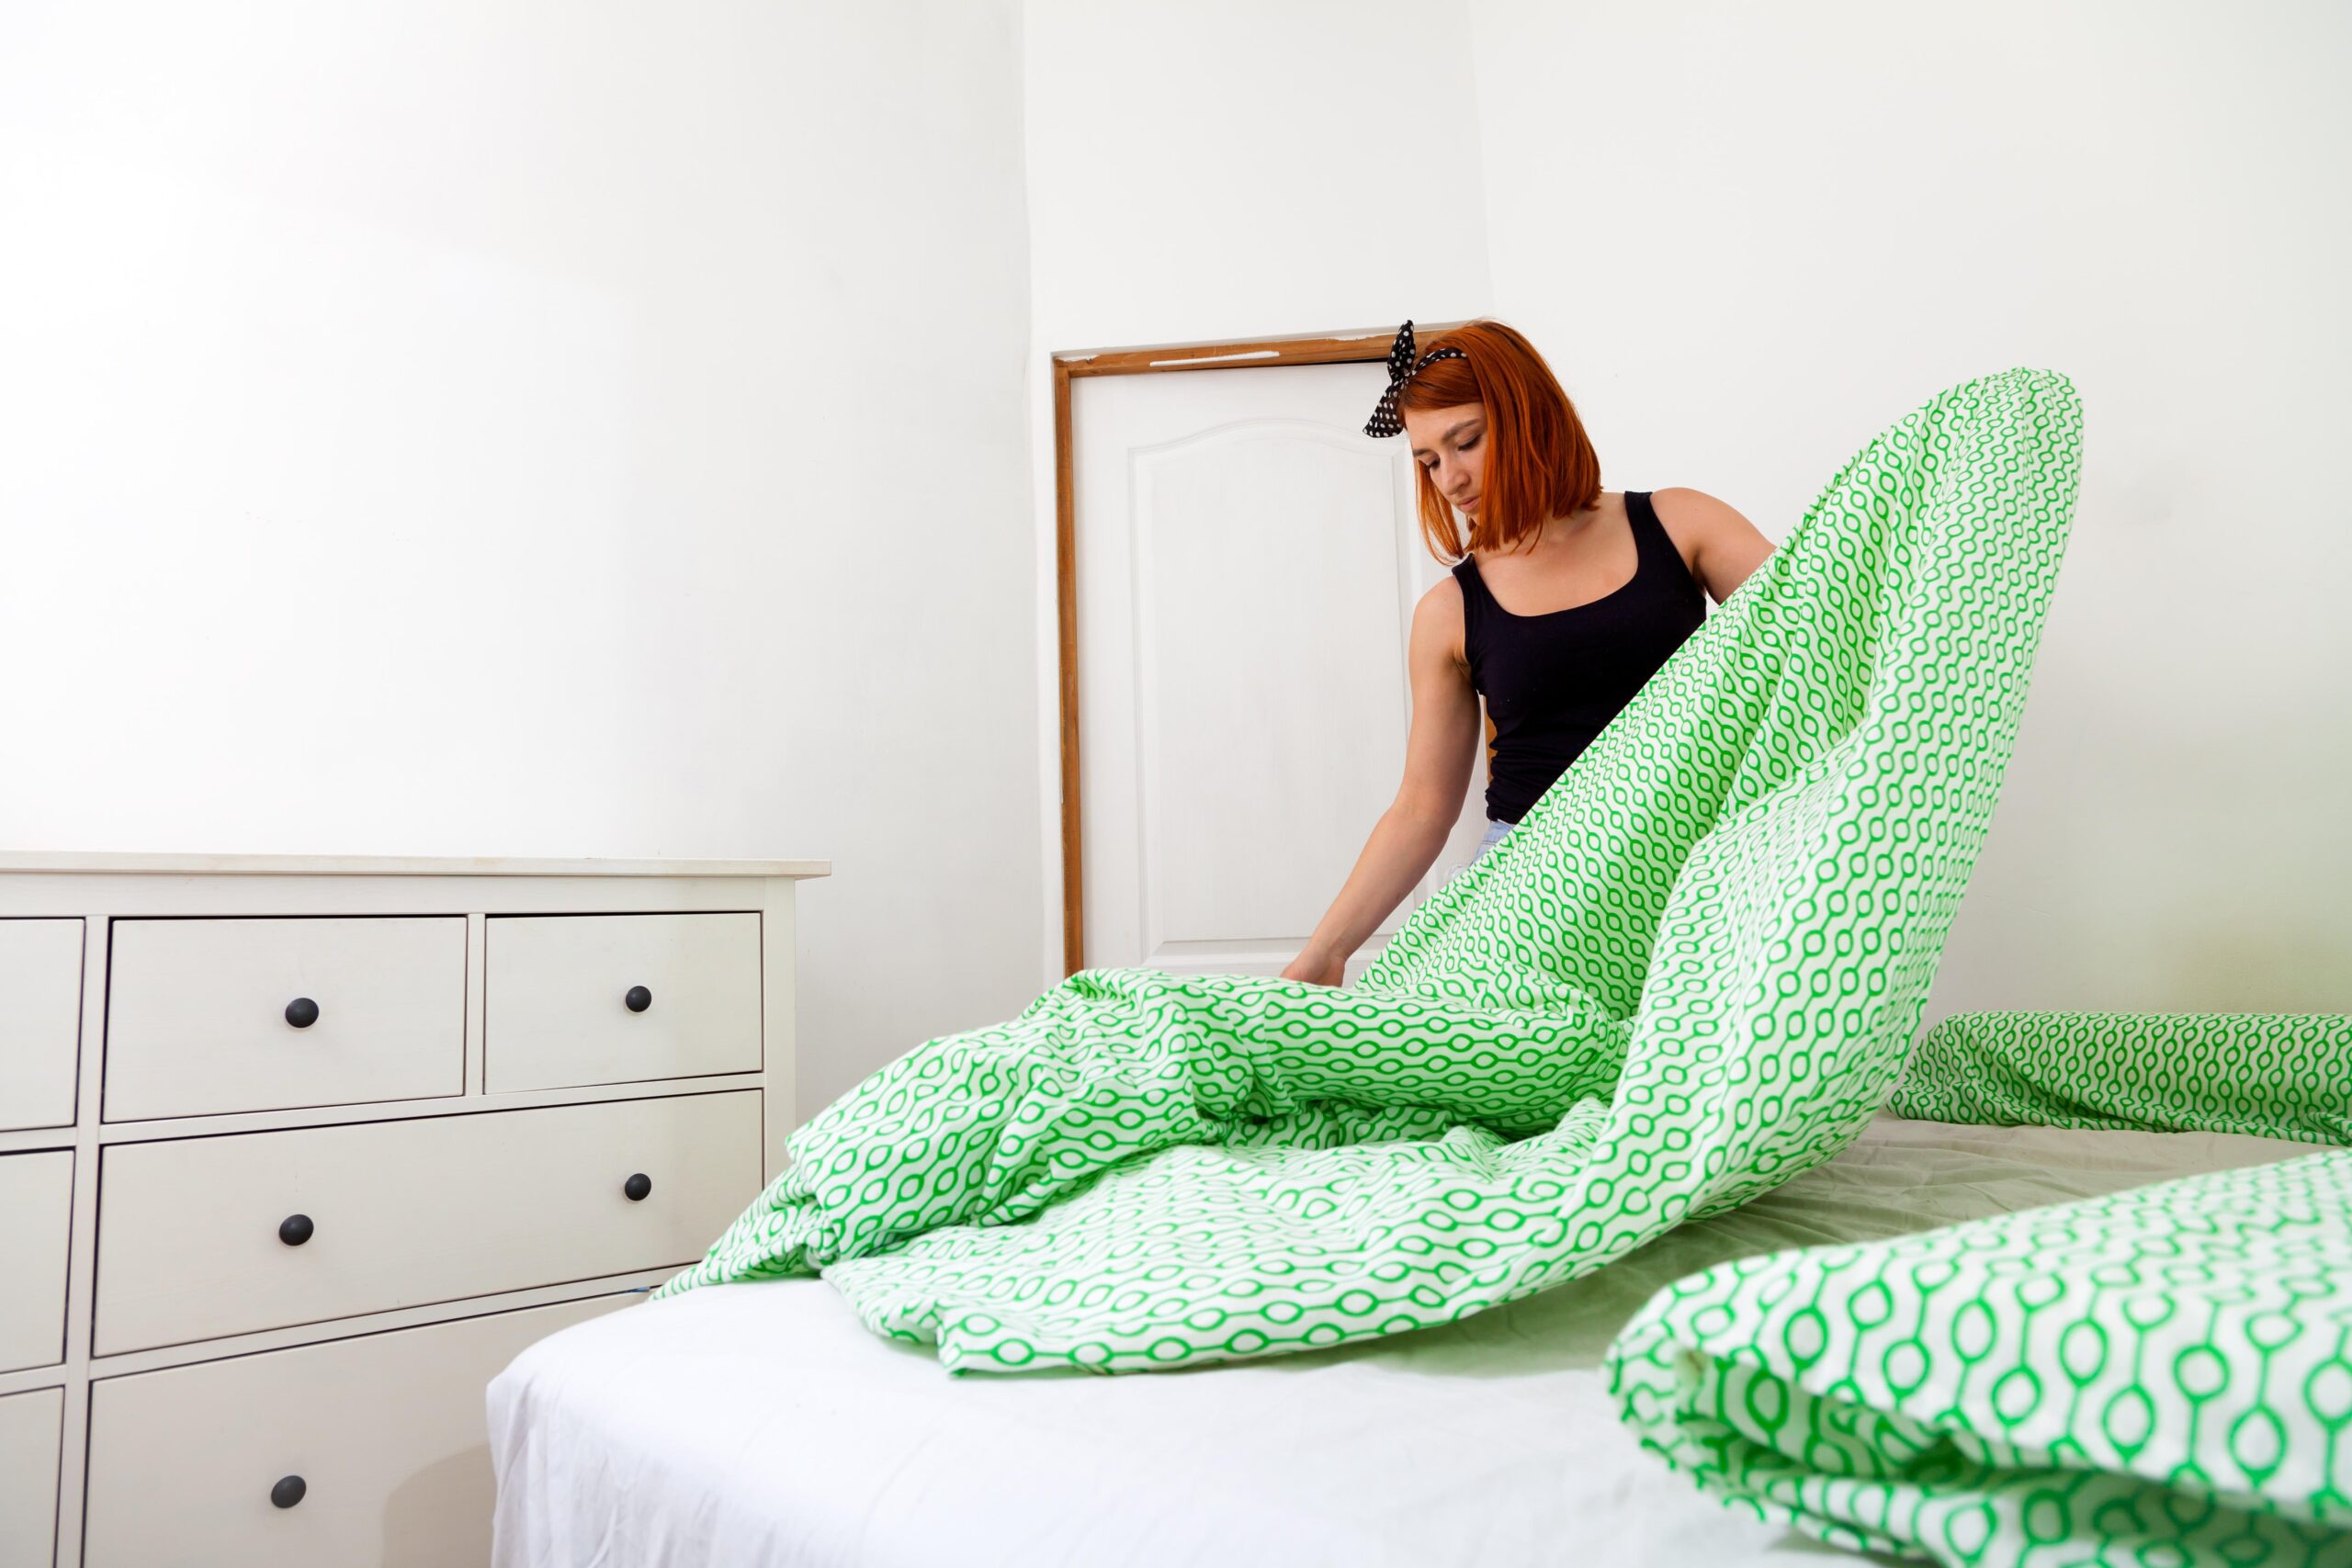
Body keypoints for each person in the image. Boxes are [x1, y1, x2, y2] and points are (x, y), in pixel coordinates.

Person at [1281, 319, 1777, 988]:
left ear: (1529, 416)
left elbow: (1814, 632)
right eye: (1428, 460)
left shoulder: (1681, 523)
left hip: (1690, 870)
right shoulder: (1450, 613)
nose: (1450, 479)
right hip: (1528, 890)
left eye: (1467, 442)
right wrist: (1325, 953)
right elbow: (1422, 806)